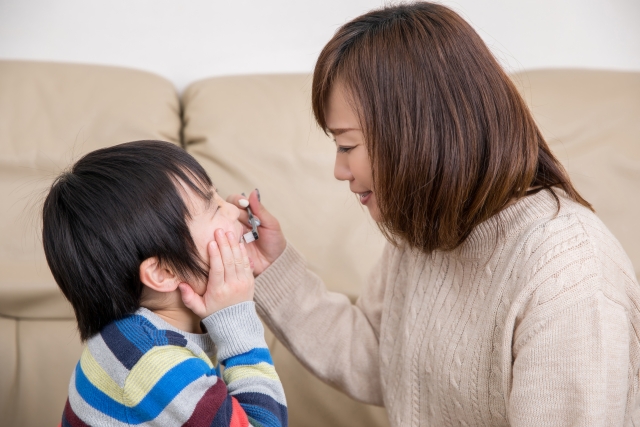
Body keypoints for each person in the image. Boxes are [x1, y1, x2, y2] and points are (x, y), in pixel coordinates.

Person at [225, 2, 640, 426]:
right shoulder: (429, 228)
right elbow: (377, 359)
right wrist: (269, 265)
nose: (339, 170)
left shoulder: (570, 279)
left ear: (418, 133)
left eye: (347, 145)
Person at [42, 140, 287, 426]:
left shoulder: (138, 338)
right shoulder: (153, 363)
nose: (235, 211)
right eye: (214, 207)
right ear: (164, 272)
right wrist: (237, 322)